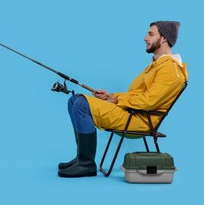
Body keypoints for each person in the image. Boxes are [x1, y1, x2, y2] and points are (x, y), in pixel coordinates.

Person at [58, 21, 188, 178]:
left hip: (140, 120)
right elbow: (136, 95)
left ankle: (87, 164)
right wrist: (112, 97)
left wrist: (116, 101)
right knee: (74, 100)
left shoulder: (169, 69)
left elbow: (149, 101)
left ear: (164, 39)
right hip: (132, 113)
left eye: (151, 34)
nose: (145, 38)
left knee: (81, 104)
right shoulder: (157, 65)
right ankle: (81, 157)